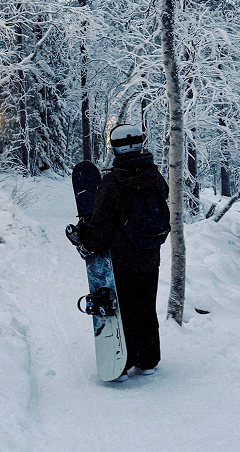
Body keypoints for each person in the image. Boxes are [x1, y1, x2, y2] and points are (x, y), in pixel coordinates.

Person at [78, 124, 171, 379]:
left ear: (115, 147)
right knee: (146, 305)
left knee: (124, 310)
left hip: (121, 258)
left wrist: (86, 244)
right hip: (150, 255)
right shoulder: (155, 176)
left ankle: (122, 364)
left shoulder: (112, 183)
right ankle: (148, 360)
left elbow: (101, 224)